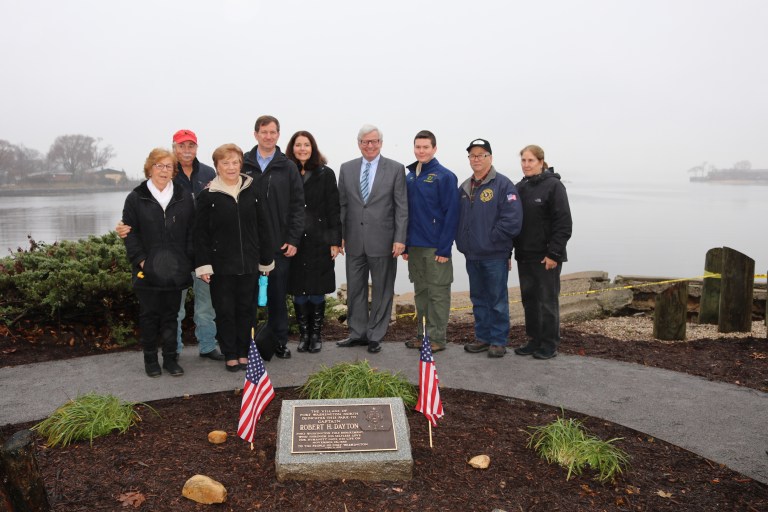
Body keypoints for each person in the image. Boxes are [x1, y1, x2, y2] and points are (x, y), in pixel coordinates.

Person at [116, 129, 222, 361]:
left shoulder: (208, 172)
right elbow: (144, 215)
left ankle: (207, 345)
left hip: (202, 251)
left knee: (206, 305)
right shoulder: (167, 174)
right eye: (181, 146)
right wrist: (126, 228)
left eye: (191, 146)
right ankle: (174, 350)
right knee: (176, 309)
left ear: (196, 147)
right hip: (175, 258)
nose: (186, 150)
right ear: (174, 148)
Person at [194, 144, 274, 371]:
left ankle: (243, 351)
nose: (231, 167)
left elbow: (263, 226)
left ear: (241, 164)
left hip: (249, 263)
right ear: (217, 167)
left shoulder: (253, 190)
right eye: (225, 163)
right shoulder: (207, 196)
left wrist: (266, 261)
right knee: (225, 310)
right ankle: (230, 352)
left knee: (246, 310)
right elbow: (200, 234)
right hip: (220, 267)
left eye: (235, 162)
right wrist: (203, 265)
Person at [122, 148, 195, 377]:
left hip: (175, 270)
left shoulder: (184, 195)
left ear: (174, 171)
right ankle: (150, 360)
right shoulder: (136, 197)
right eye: (159, 165)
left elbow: (192, 232)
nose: (164, 171)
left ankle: (171, 360)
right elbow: (130, 234)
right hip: (148, 270)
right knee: (149, 317)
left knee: (172, 316)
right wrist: (141, 261)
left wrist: (187, 262)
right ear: (150, 168)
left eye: (168, 166)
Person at [336, 124, 408, 354]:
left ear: (381, 143)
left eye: (374, 141)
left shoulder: (396, 169)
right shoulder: (346, 169)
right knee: (355, 289)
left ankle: (376, 335)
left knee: (382, 290)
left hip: (384, 241)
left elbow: (401, 207)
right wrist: (341, 236)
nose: (370, 146)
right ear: (359, 144)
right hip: (354, 240)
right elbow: (343, 205)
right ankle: (357, 333)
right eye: (365, 142)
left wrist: (400, 238)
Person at [242, 115, 305, 359]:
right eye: (264, 132)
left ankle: (279, 341)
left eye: (273, 132)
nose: (268, 136)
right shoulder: (244, 164)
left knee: (277, 297)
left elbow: (298, 206)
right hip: (248, 245)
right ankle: (247, 343)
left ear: (278, 135)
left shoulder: (287, 166)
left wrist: (293, 239)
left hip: (279, 245)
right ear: (255, 134)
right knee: (248, 297)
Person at [456, 138, 523, 358]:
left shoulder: (503, 185)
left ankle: (498, 340)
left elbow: (513, 220)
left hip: (495, 254)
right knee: (478, 299)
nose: (476, 159)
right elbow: (458, 218)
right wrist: (462, 241)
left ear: (490, 158)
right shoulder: (465, 187)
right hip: (472, 254)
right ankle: (482, 338)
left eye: (481, 155)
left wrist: (491, 239)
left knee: (497, 299)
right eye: (472, 156)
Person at [513, 145, 573, 359]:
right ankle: (534, 339)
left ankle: (549, 343)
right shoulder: (520, 187)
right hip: (524, 254)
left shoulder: (554, 186)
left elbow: (564, 223)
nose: (526, 165)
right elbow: (514, 222)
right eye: (523, 161)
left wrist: (554, 254)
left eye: (530, 161)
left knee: (547, 301)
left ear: (540, 162)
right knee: (529, 299)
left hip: (546, 256)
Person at [402, 130, 459, 353]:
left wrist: (445, 247)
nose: (421, 151)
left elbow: (452, 214)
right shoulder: (410, 176)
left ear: (434, 148)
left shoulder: (444, 176)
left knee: (438, 294)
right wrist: (406, 245)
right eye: (418, 147)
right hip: (415, 247)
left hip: (436, 248)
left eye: (426, 147)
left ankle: (437, 338)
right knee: (421, 294)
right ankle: (422, 335)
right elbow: (407, 213)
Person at [285, 130, 342, 354]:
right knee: (299, 289)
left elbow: (333, 208)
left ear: (313, 147)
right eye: (298, 145)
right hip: (294, 240)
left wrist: (334, 241)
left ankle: (316, 335)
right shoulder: (286, 173)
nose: (302, 149)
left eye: (306, 145)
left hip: (320, 240)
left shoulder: (326, 174)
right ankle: (304, 335)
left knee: (317, 289)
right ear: (292, 148)